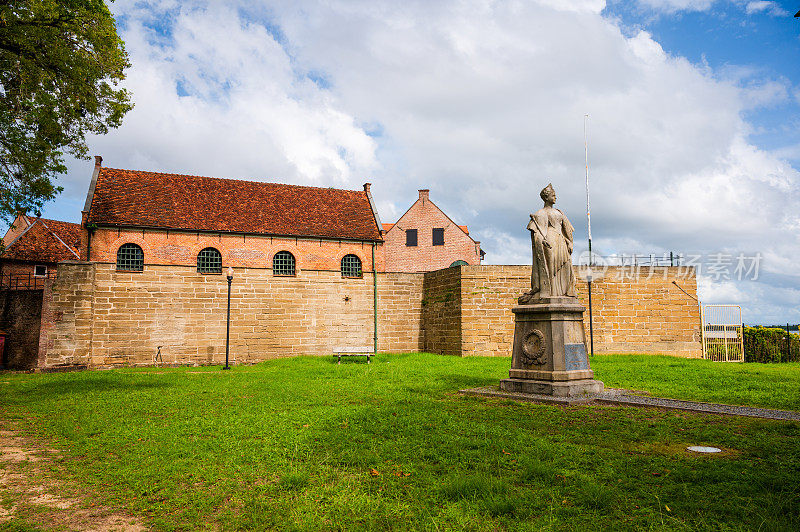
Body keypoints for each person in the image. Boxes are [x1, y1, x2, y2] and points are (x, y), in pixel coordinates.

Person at [519, 183, 576, 303]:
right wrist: (541, 240)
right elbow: (536, 233)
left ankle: (564, 292)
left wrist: (570, 242)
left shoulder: (559, 212)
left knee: (565, 267)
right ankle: (551, 292)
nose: (555, 197)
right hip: (549, 243)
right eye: (553, 195)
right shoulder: (539, 214)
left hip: (561, 242)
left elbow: (567, 229)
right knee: (550, 268)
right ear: (546, 197)